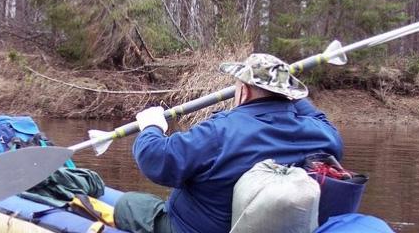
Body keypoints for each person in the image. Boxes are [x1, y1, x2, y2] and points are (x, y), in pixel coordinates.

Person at [113, 54, 344, 233]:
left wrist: (152, 127)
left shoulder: (220, 131)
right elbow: (320, 120)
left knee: (130, 205)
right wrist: (287, 92)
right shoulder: (320, 135)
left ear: (243, 92)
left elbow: (156, 159)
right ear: (290, 96)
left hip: (188, 228)